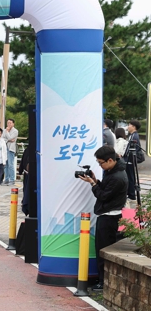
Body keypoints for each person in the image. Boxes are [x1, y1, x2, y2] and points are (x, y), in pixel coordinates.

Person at [77, 145, 127, 291]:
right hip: (108, 215)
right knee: (103, 249)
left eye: (101, 163)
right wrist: (95, 180)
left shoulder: (117, 177)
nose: (100, 165)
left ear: (110, 160)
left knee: (103, 250)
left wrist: (92, 184)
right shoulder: (113, 171)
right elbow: (106, 189)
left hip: (109, 217)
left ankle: (103, 282)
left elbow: (103, 196)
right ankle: (102, 280)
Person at [124, 120, 142, 201]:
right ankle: (131, 193)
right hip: (130, 159)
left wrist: (128, 158)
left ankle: (131, 194)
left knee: (130, 177)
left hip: (131, 159)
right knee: (131, 176)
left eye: (129, 125)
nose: (128, 127)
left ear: (134, 127)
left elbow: (134, 149)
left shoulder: (134, 136)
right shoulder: (133, 135)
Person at [2, 119, 19, 185]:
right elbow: (2, 138)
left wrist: (7, 132)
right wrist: (8, 139)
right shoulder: (4, 130)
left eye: (10, 123)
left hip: (11, 149)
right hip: (4, 148)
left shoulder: (15, 131)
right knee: (5, 165)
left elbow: (10, 138)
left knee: (10, 164)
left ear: (13, 124)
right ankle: (6, 179)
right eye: (8, 123)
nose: (9, 124)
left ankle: (12, 180)